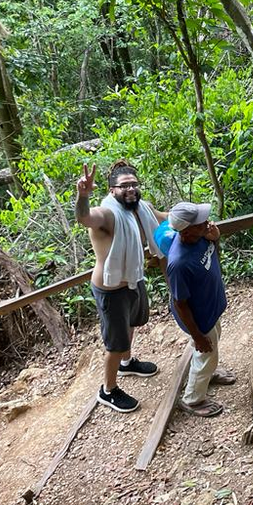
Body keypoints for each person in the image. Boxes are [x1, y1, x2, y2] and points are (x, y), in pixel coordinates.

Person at [75, 160, 167, 413]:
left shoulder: (141, 209)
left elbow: (163, 217)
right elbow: (85, 218)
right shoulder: (107, 213)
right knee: (115, 342)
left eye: (134, 184)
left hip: (133, 278)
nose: (131, 189)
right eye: (124, 186)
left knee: (131, 325)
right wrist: (83, 196)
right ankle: (108, 390)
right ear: (112, 189)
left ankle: (127, 363)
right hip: (110, 287)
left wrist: (191, 214)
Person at [165, 202, 235, 417]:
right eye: (200, 223)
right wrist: (197, 335)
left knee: (213, 343)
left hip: (209, 305)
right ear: (186, 231)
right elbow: (180, 303)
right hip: (199, 316)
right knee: (206, 353)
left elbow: (214, 251)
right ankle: (193, 399)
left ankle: (208, 374)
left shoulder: (202, 235)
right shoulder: (178, 263)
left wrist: (215, 237)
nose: (206, 223)